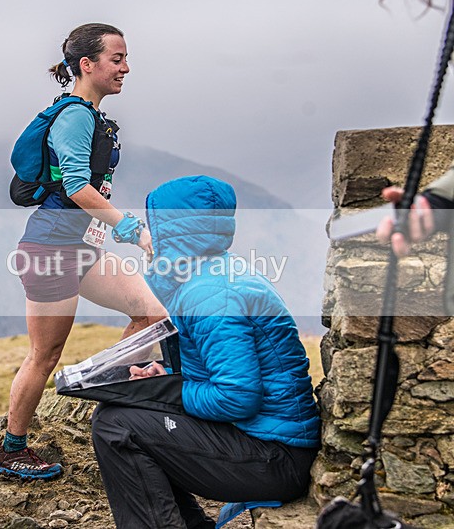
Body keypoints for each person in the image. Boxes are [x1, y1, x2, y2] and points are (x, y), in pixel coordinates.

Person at [90, 176, 321, 528]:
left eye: (156, 225)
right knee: (126, 415)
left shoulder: (210, 296)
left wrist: (170, 391)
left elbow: (238, 396)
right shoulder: (213, 275)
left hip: (275, 457)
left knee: (116, 425)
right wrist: (164, 377)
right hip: (275, 442)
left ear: (173, 231)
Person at [0, 23, 168, 480]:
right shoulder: (74, 116)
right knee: (44, 355)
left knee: (153, 312)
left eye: (126, 58)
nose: (126, 67)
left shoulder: (92, 116)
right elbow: (76, 187)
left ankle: (106, 396)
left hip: (83, 249)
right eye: (117, 59)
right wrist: (135, 230)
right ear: (87, 65)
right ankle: (13, 450)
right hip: (50, 248)